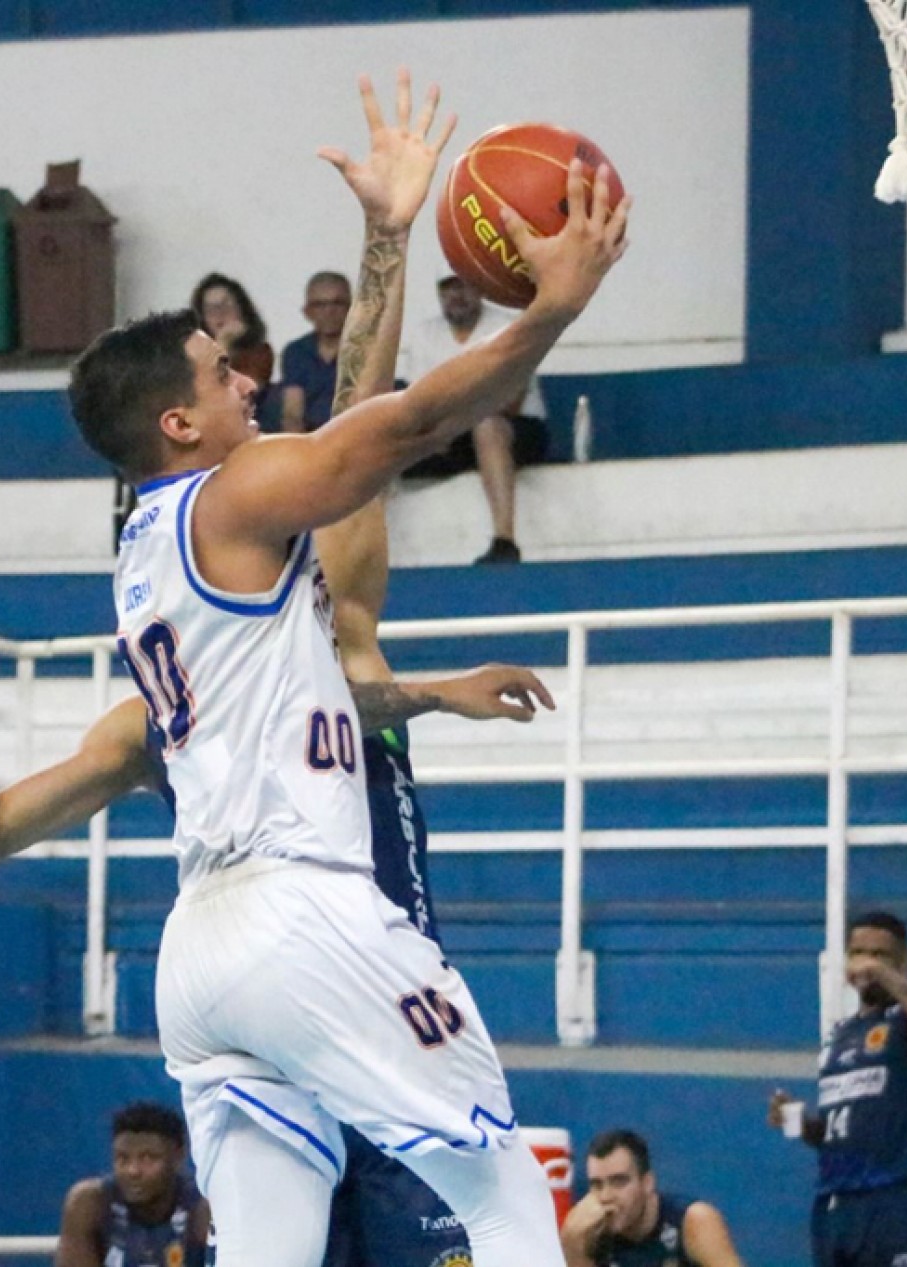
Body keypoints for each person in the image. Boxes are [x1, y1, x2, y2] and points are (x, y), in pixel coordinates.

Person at [77, 70, 623, 1267]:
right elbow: (406, 426)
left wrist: (384, 235)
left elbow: (351, 414)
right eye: (219, 372)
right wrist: (549, 311)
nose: (243, 378)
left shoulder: (158, 533)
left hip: (204, 954)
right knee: (507, 1199)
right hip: (303, 908)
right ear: (178, 422)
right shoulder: (227, 497)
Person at [767, 912, 907, 1267]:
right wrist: (801, 1122)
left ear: (904, 962)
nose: (866, 963)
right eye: (857, 953)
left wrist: (884, 974)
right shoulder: (839, 1035)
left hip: (895, 1200)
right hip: (835, 1206)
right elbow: (839, 1134)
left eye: (879, 955)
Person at [399, 274, 551, 565]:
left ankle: (505, 540)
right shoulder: (424, 333)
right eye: (448, 288)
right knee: (376, 441)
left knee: (488, 425)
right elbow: (417, 403)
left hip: (518, 429)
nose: (456, 296)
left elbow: (510, 400)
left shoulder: (508, 327)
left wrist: (449, 420)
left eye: (464, 285)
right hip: (452, 433)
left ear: (481, 288)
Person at [559, 1129, 744, 1267]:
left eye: (619, 1182)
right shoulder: (586, 1235)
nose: (606, 1197)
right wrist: (572, 1248)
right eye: (597, 1185)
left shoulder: (692, 1221)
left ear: (647, 1183)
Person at [55, 1101, 209, 1267]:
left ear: (178, 1157)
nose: (133, 1171)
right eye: (123, 1158)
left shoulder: (203, 1208)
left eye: (148, 1158)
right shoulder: (90, 1204)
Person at [278, 272, 352, 434]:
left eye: (337, 303)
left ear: (352, 308)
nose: (329, 311)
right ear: (307, 312)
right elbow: (292, 413)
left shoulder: (365, 351)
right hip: (310, 443)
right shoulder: (296, 352)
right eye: (320, 305)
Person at [190, 273, 275, 403]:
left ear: (241, 309)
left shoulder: (260, 352)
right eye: (211, 309)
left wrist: (224, 344)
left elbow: (244, 394)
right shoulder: (191, 353)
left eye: (226, 304)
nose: (220, 313)